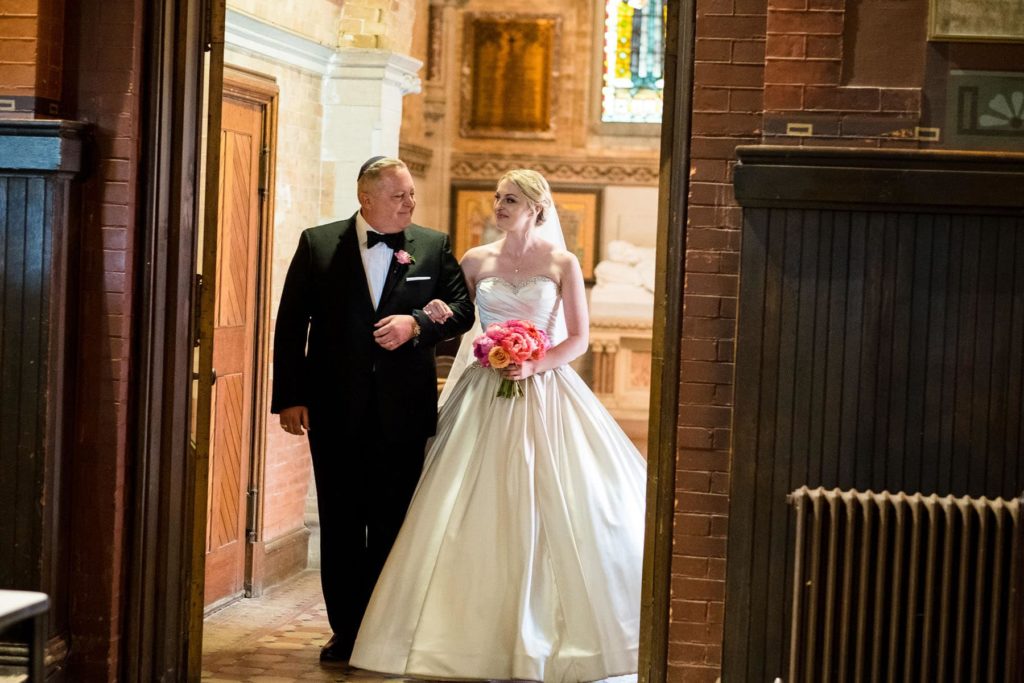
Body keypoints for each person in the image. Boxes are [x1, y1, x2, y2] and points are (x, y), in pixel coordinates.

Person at [350, 169, 647, 682]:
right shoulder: (474, 260)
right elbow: (458, 319)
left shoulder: (561, 262)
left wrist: (533, 362)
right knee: (464, 502)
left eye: (510, 199)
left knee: (549, 499)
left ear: (537, 206)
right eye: (497, 198)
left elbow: (578, 338)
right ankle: (455, 631)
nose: (499, 206)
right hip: (484, 388)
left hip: (545, 388)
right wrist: (436, 313)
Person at [271, 156, 474, 663]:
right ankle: (347, 630)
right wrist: (291, 396)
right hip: (334, 409)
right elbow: (291, 323)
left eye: (410, 194)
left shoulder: (433, 245)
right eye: (399, 195)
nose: (410, 203)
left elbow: (462, 309)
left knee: (392, 522)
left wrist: (418, 326)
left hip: (403, 411)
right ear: (366, 199)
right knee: (341, 524)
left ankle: (386, 630)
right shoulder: (318, 244)